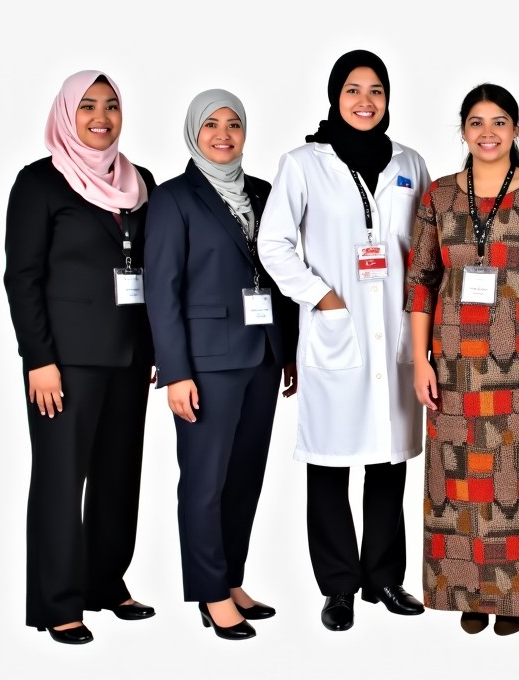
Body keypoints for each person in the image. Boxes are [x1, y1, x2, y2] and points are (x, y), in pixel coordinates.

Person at [258, 50, 429, 632]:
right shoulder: (304, 163)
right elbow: (274, 243)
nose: (365, 102)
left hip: (399, 334)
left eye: (376, 90)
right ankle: (338, 586)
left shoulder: (410, 163)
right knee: (330, 464)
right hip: (338, 332)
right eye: (353, 90)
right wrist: (322, 297)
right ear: (335, 96)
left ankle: (384, 577)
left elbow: (425, 251)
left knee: (389, 462)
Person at [406, 82, 519, 636]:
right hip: (455, 364)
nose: (488, 132)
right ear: (462, 130)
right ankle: (470, 593)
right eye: (476, 122)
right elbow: (421, 283)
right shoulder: (438, 195)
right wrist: (420, 360)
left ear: (516, 129)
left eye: (499, 122)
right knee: (460, 485)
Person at [3, 70, 156, 645]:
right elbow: (22, 278)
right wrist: (37, 358)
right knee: (61, 480)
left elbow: (157, 271)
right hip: (64, 364)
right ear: (67, 114)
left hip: (131, 357)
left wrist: (159, 348)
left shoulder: (142, 185)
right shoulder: (39, 183)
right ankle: (58, 602)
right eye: (88, 106)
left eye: (111, 106)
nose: (101, 117)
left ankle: (105, 583)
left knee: (119, 477)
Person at [143, 89, 299, 640]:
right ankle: (209, 593)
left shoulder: (263, 192)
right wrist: (176, 370)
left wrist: (292, 351)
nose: (224, 135)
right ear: (193, 132)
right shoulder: (173, 198)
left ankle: (231, 577)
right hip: (206, 363)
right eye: (211, 125)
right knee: (204, 482)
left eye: (234, 124)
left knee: (245, 478)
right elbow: (161, 293)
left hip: (263, 354)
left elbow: (283, 275)